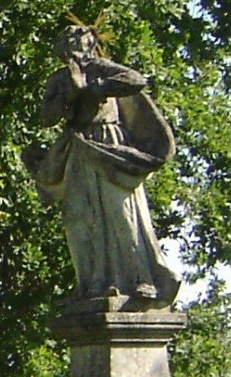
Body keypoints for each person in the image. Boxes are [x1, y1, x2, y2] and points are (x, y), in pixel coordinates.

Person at [21, 24, 182, 308]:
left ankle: (139, 279)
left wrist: (93, 88)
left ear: (89, 44)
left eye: (79, 43)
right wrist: (66, 96)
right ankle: (90, 284)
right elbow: (45, 116)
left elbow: (135, 80)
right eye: (68, 45)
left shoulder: (99, 68)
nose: (74, 50)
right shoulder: (59, 79)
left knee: (120, 213)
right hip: (78, 146)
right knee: (78, 216)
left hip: (108, 143)